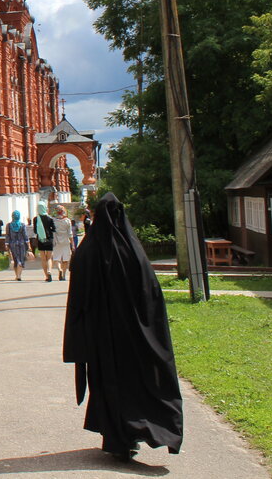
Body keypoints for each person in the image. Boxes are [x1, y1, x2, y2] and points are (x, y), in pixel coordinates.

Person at [63, 192, 183, 462]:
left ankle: (116, 438)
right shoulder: (133, 251)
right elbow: (151, 297)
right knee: (134, 383)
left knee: (108, 385)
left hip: (102, 338)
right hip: (134, 339)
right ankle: (136, 432)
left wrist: (80, 335)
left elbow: (78, 298)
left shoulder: (88, 251)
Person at [32, 202, 56, 282]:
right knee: (49, 258)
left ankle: (46, 276)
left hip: (41, 239)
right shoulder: (50, 218)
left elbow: (35, 231)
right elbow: (54, 229)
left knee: (43, 258)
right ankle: (49, 271)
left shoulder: (36, 219)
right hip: (49, 239)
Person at [4, 209, 30, 280]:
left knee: (15, 259)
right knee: (21, 260)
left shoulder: (9, 225)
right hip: (22, 244)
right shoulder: (22, 225)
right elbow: (25, 235)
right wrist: (28, 244)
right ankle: (19, 275)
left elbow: (7, 235)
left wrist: (6, 244)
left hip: (13, 244)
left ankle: (17, 275)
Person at [51, 204, 74, 281]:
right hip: (65, 242)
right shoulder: (67, 221)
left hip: (56, 241)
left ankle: (59, 269)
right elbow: (70, 233)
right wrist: (72, 244)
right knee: (65, 259)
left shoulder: (53, 220)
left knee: (57, 258)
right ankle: (64, 274)